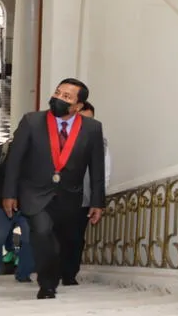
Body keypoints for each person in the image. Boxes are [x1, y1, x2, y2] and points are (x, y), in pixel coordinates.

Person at [3, 78, 106, 299]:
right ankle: (47, 285)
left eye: (67, 97)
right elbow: (15, 161)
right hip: (34, 192)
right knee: (41, 232)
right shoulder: (32, 121)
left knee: (60, 242)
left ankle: (54, 274)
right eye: (58, 93)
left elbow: (97, 167)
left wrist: (97, 201)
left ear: (78, 106)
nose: (58, 98)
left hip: (69, 196)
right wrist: (9, 193)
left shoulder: (92, 128)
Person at [61, 101, 111, 285]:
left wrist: (98, 199)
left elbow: (104, 171)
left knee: (75, 238)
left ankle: (69, 275)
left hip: (83, 199)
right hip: (56, 196)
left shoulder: (100, 141)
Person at [0, 138, 34, 283]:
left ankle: (24, 274)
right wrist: (0, 191)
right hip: (0, 204)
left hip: (28, 205)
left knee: (30, 239)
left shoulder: (37, 154)